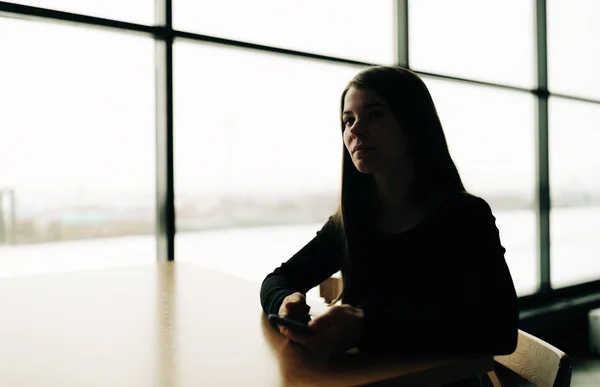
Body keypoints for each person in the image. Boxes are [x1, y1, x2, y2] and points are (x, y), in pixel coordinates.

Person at [260, 66, 518, 386]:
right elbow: (279, 279)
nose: (356, 130)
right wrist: (286, 302)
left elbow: (500, 331)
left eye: (374, 115)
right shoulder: (352, 220)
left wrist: (367, 328)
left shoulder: (464, 217)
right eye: (348, 120)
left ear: (413, 125)